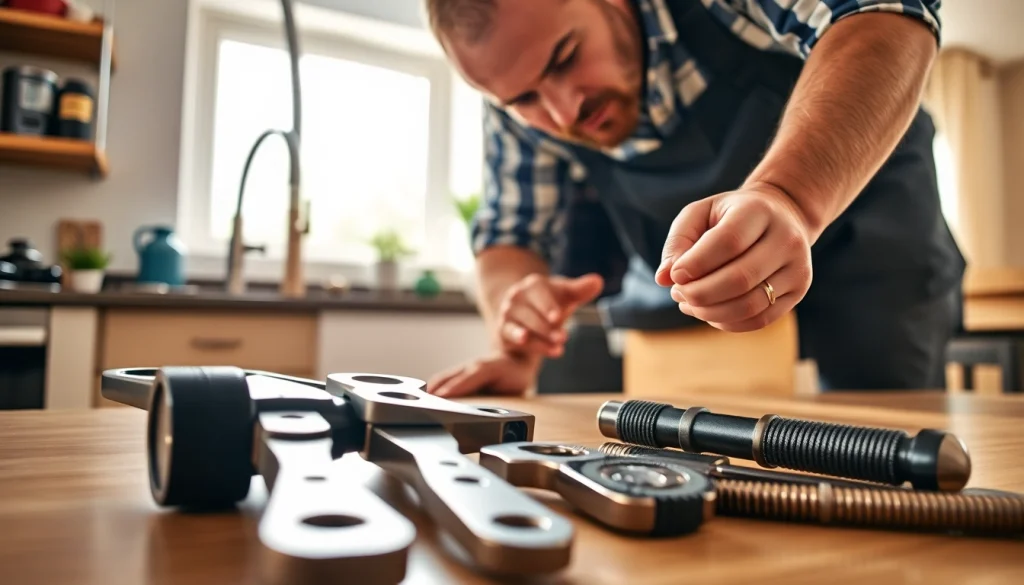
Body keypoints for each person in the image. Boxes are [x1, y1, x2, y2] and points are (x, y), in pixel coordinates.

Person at [424, 0, 965, 397]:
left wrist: (789, 198)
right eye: (524, 99)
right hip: (700, 311)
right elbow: (509, 235)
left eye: (565, 59)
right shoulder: (516, 106)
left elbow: (882, 17)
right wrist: (516, 333)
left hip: (873, 236)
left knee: (881, 445)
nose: (563, 113)